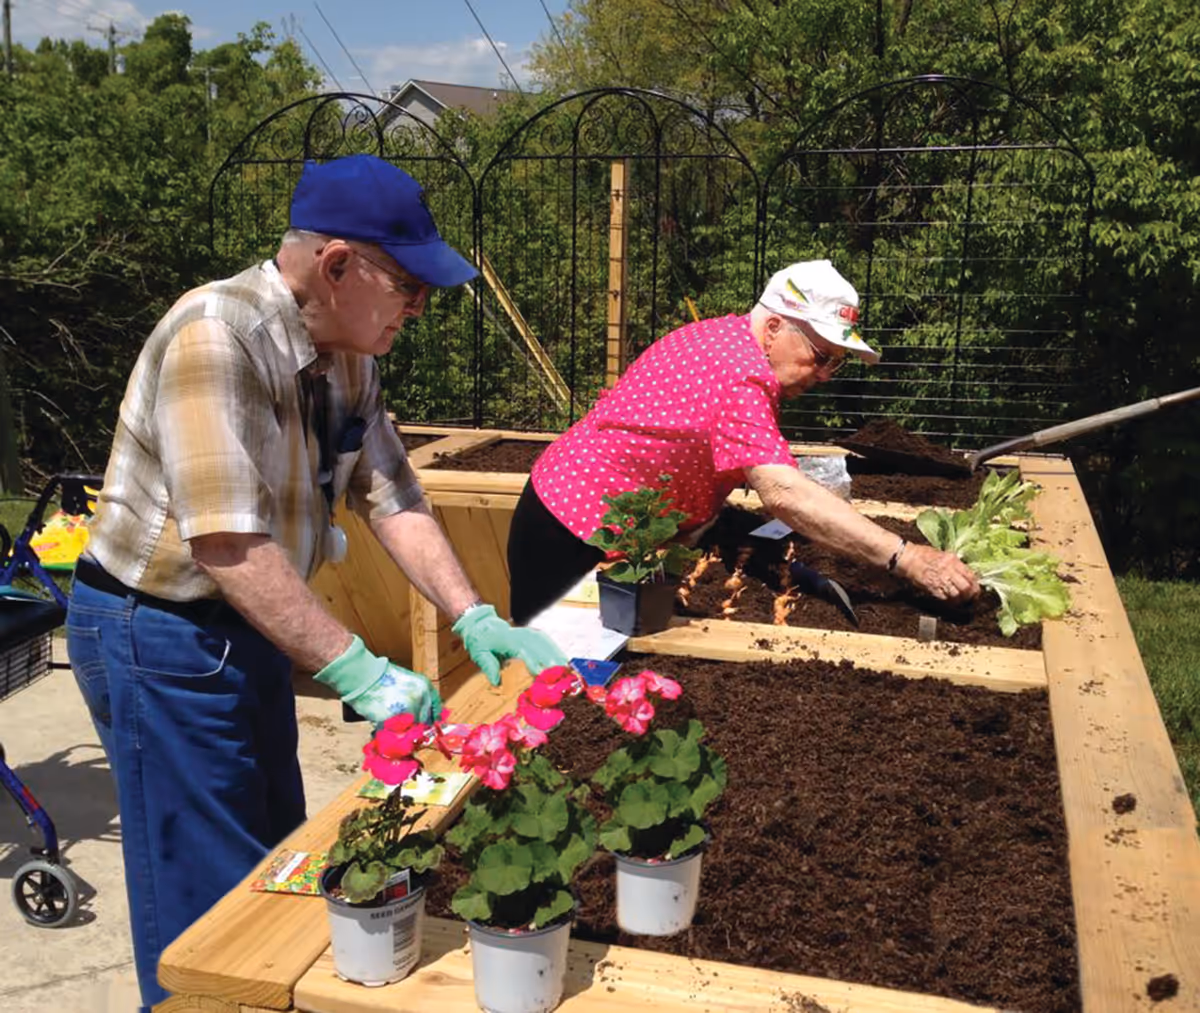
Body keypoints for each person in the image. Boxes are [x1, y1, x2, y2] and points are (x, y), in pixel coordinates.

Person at [65, 154, 565, 1011]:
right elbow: (227, 544)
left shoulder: (345, 354)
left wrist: (474, 614)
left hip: (247, 627)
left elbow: (393, 494)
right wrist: (359, 669)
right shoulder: (215, 337)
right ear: (336, 266)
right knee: (209, 898)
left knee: (277, 863)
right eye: (408, 284)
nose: (419, 306)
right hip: (159, 636)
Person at [507, 259, 981, 624]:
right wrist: (907, 558)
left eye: (835, 363)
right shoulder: (742, 375)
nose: (822, 375)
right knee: (556, 673)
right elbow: (782, 492)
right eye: (820, 356)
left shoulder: (725, 338)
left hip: (582, 516)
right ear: (774, 327)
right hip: (570, 530)